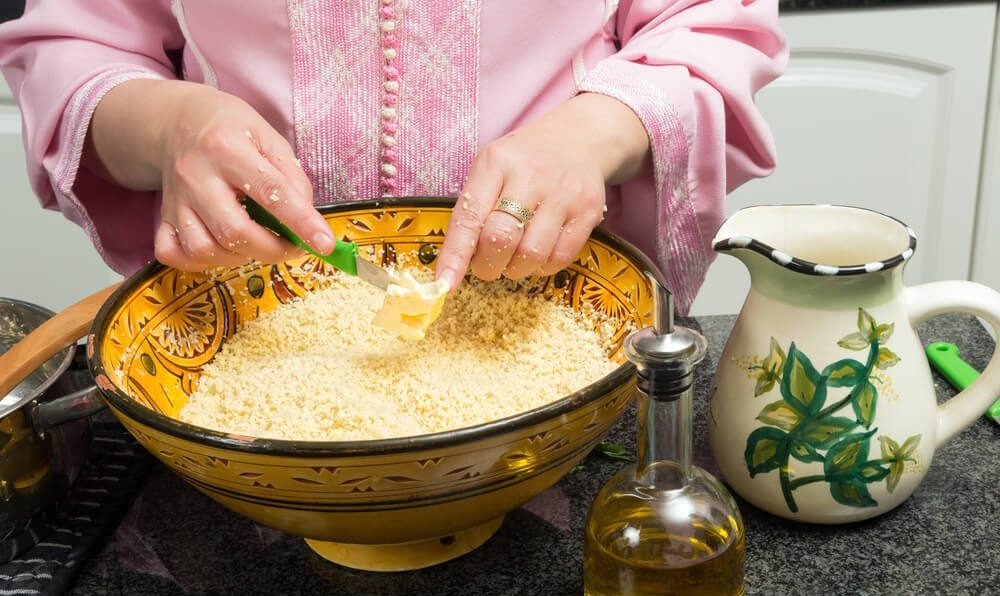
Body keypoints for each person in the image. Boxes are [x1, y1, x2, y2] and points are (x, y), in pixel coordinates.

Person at [0, 1, 786, 315]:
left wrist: (590, 134)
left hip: (557, 317)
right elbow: (77, 45)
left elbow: (711, 22)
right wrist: (171, 125)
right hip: (255, 335)